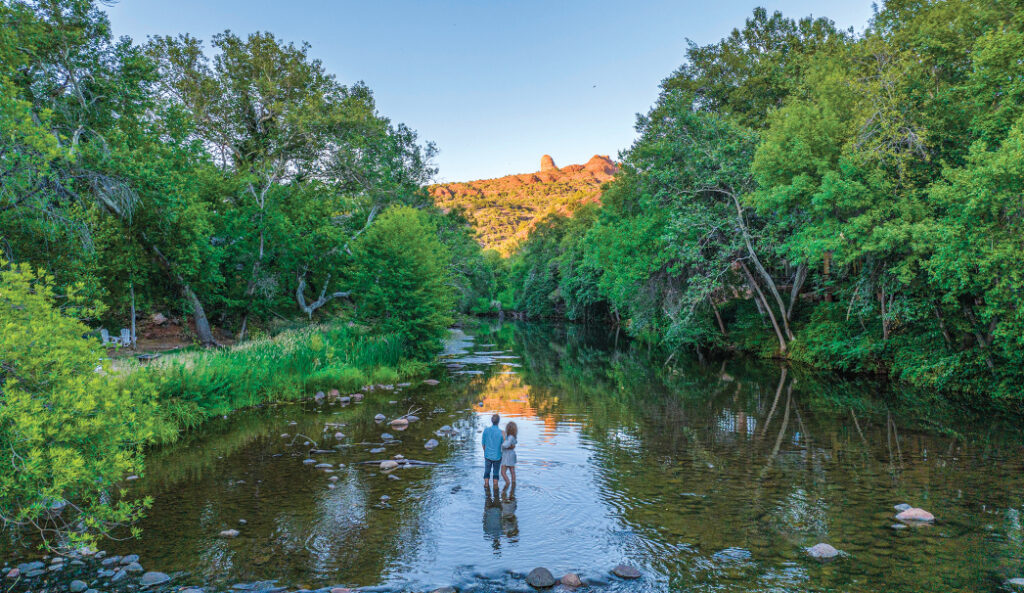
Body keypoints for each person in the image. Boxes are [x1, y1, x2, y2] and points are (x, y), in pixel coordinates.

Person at [482, 413, 503, 487]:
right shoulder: (501, 433)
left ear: (491, 421)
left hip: (487, 455)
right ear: (498, 421)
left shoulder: (486, 430)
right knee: (496, 473)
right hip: (497, 456)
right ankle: (495, 487)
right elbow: (503, 446)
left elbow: (483, 444)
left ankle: (486, 485)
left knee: (487, 472)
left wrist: (486, 453)